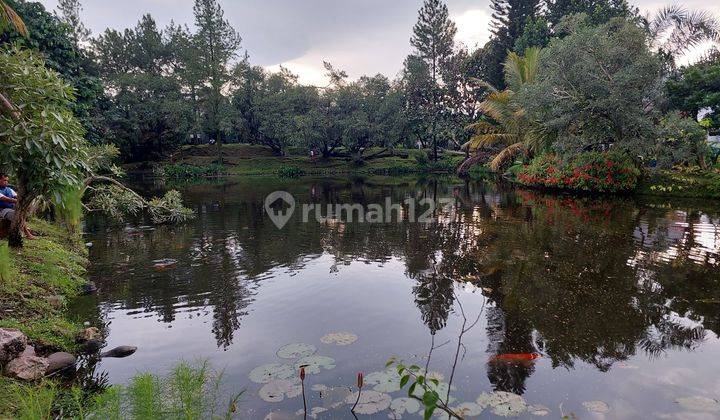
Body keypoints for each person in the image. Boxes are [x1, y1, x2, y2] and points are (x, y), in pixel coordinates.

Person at [0, 173, 36, 240]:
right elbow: (5, 199)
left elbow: (18, 197)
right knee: (16, 214)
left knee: (21, 212)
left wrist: (25, 199)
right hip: (2, 210)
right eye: (4, 180)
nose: (6, 182)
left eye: (7, 181)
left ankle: (22, 229)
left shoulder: (9, 189)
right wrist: (20, 201)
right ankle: (27, 233)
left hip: (10, 208)